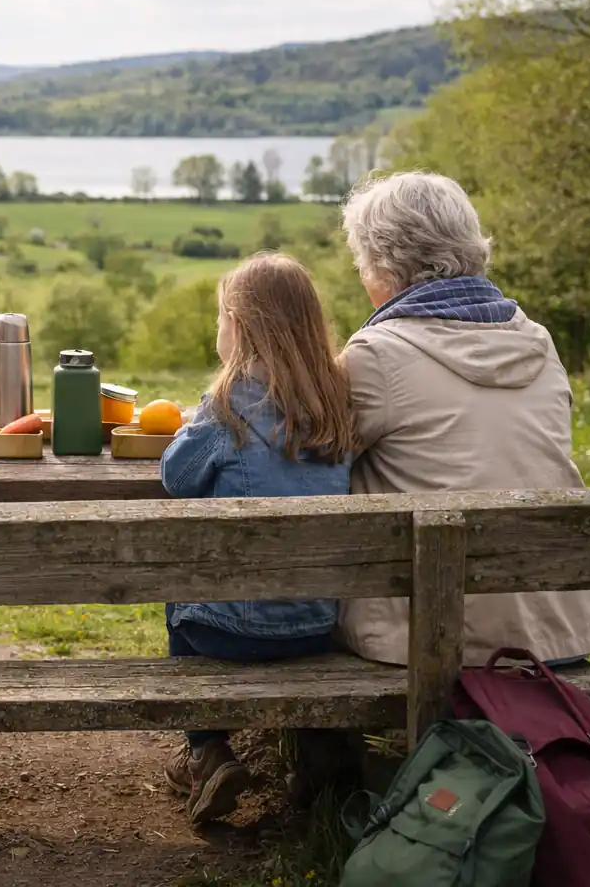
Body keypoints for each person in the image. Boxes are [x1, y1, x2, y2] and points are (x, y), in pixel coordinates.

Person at [338, 171, 590, 665]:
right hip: (554, 628)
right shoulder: (537, 340)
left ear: (383, 266)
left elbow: (312, 459)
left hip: (430, 636)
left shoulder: (377, 356)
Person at [157, 253, 358, 826]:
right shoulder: (337, 405)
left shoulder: (227, 407)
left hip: (227, 633)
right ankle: (320, 751)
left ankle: (207, 752)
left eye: (223, 317)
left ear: (239, 326)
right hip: (317, 628)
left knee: (180, 590)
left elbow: (176, 476)